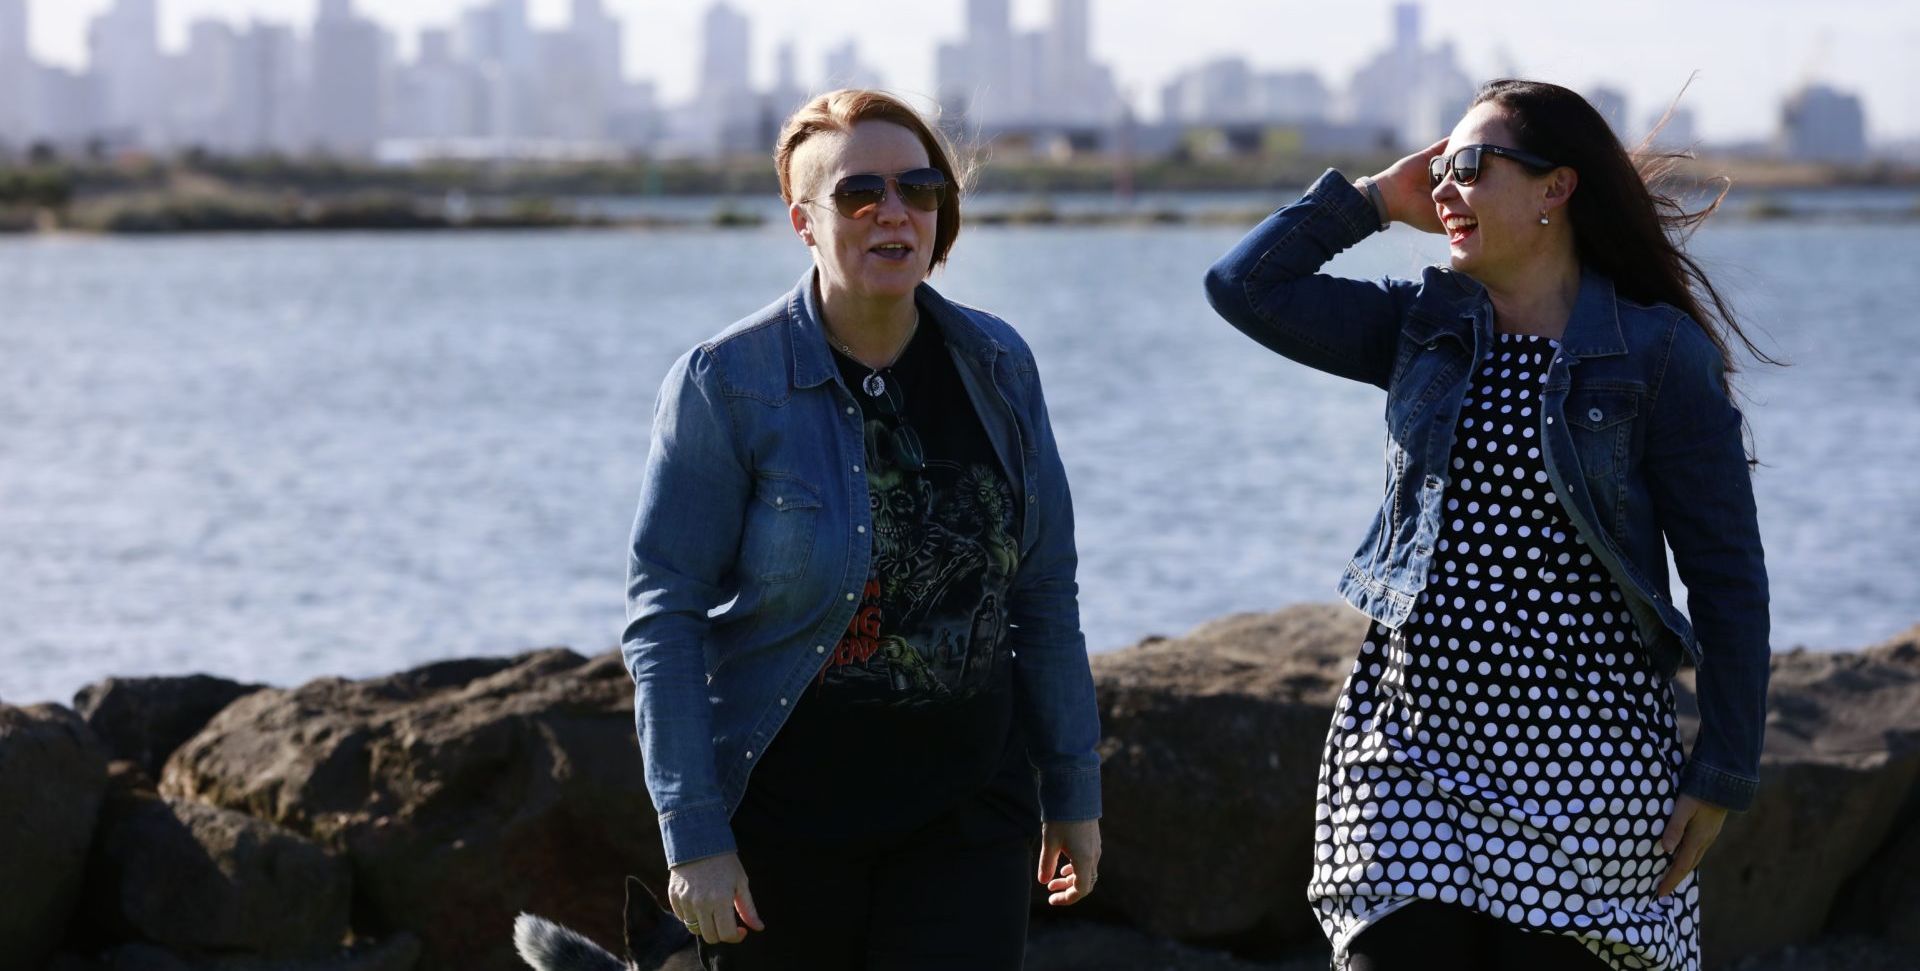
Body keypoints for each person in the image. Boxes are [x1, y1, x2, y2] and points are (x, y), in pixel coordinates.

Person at [1204, 80, 1770, 970]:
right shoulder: (1419, 327)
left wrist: (1724, 763)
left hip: (1586, 782)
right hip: (1405, 767)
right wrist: (1377, 198)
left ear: (1557, 188)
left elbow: (1728, 575)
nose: (1445, 188)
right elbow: (1244, 286)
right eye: (1439, 169)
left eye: (1469, 166)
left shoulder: (1657, 355)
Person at [621, 88, 1103, 969]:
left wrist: (1073, 791)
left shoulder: (999, 365)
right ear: (804, 221)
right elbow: (666, 617)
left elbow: (1043, 591)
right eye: (857, 194)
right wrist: (692, 836)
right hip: (783, 822)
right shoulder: (727, 384)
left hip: (968, 811)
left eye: (919, 189)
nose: (894, 211)